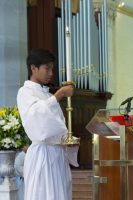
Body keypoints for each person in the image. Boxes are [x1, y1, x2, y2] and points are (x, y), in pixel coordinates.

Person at [17, 49, 78, 200]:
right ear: (33, 68)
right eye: (47, 68)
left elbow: (57, 126)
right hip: (41, 155)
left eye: (52, 68)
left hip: (57, 156)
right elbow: (36, 117)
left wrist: (67, 141)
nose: (51, 73)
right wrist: (60, 95)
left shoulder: (48, 95)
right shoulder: (25, 92)